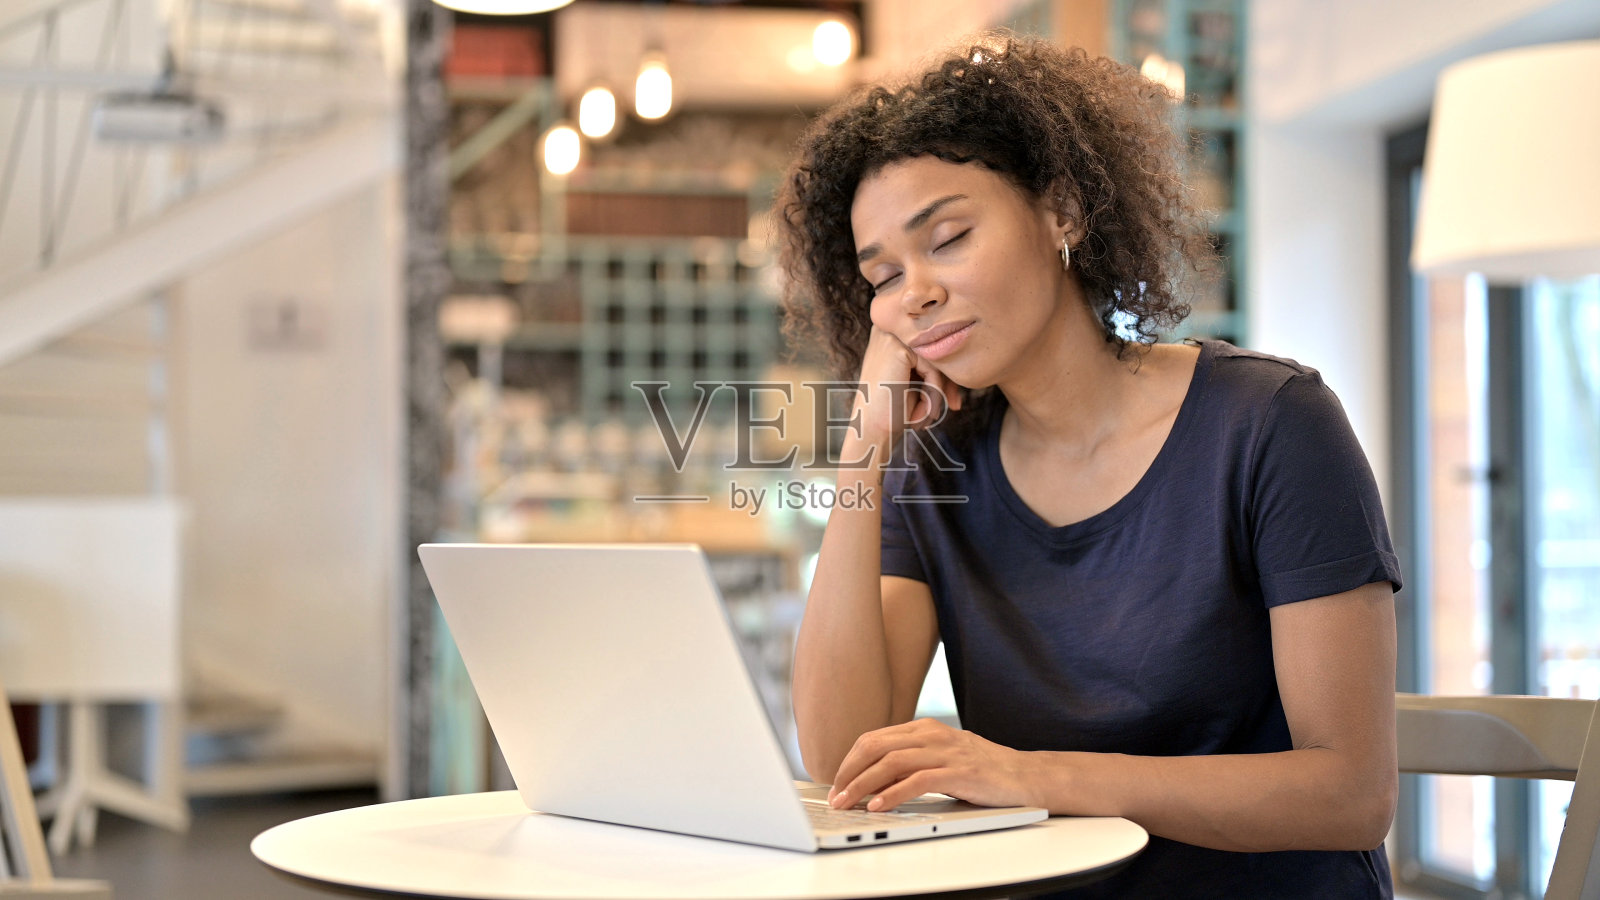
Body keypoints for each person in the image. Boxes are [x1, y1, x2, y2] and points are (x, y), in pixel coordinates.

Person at [774, 34, 1401, 898]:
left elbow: (1351, 795)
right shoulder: (938, 469)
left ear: (1060, 212)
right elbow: (843, 756)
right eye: (881, 275)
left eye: (948, 237)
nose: (912, 293)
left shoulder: (1269, 426)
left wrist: (1037, 776)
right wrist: (864, 445)